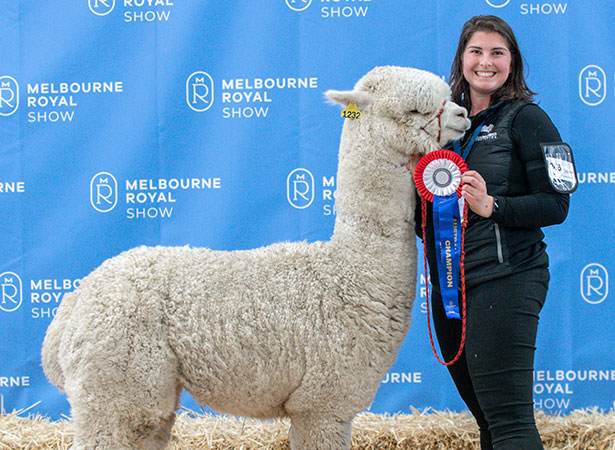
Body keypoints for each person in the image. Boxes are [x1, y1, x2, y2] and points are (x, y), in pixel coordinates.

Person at [412, 15, 573, 450]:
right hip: (452, 291)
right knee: (489, 423)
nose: (486, 62)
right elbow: (421, 220)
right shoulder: (441, 127)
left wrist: (492, 205)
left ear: (512, 62)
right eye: (476, 51)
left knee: (511, 423)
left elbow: (557, 203)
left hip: (508, 279)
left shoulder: (530, 119)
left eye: (497, 53)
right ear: (461, 59)